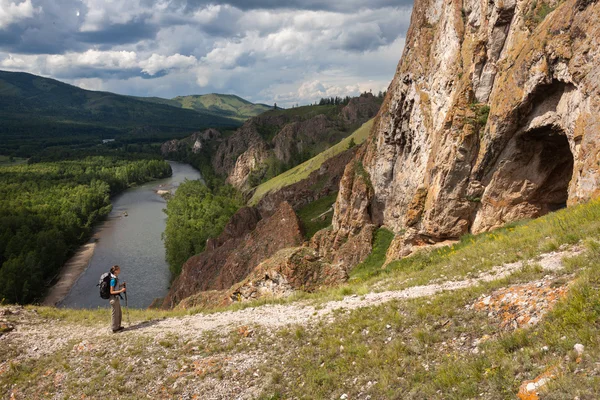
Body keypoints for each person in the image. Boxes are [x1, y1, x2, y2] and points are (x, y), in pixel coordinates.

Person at [109, 265, 126, 333]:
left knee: (119, 312)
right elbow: (111, 291)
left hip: (116, 298)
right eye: (118, 269)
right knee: (115, 313)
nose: (120, 270)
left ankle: (118, 326)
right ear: (115, 271)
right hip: (113, 298)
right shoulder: (113, 280)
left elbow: (116, 287)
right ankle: (114, 328)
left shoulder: (115, 278)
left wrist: (122, 285)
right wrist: (121, 291)